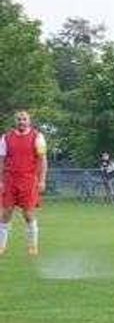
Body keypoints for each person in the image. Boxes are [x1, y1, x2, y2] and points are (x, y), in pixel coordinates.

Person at [0, 110, 48, 256]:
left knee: (28, 214)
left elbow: (43, 160)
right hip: (10, 180)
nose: (21, 122)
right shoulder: (6, 138)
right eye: (19, 119)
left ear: (29, 121)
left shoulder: (37, 137)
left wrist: (42, 180)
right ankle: (1, 247)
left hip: (28, 180)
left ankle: (33, 246)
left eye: (24, 119)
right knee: (6, 213)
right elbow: (1, 161)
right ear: (15, 121)